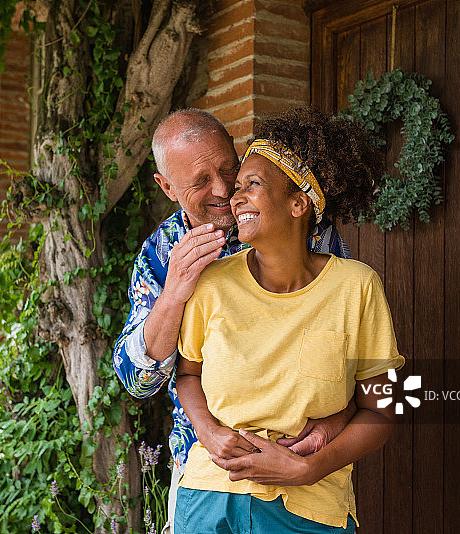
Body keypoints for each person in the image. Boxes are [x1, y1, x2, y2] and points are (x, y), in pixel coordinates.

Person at [112, 109, 355, 532]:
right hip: (207, 477)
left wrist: (329, 433)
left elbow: (366, 376)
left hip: (305, 476)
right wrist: (174, 293)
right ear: (166, 187)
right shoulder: (160, 255)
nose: (224, 189)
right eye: (200, 181)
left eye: (229, 168)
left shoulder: (316, 239)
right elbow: (141, 381)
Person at [174, 106, 405, 533]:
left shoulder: (356, 287)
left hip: (308, 509)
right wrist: (206, 431)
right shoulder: (213, 283)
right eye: (237, 185)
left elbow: (388, 408)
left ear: (298, 203)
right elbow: (186, 375)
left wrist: (310, 469)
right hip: (208, 498)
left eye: (252, 185)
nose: (234, 197)